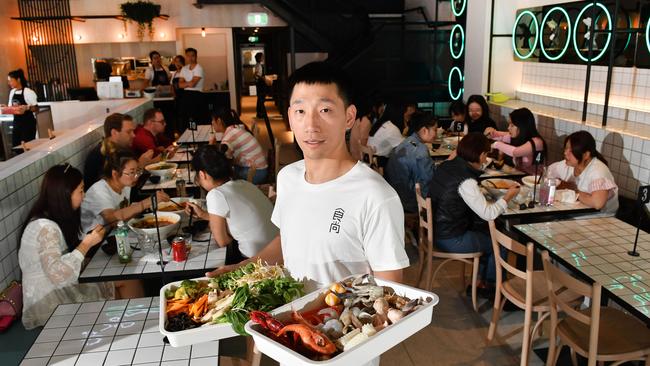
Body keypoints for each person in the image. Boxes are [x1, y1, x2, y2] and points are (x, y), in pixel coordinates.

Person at [207, 61, 409, 290]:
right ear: (291, 117)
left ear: (349, 117)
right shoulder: (288, 177)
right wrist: (246, 266)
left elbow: (390, 292)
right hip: (288, 320)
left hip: (341, 323)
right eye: (301, 111)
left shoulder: (375, 195)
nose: (311, 125)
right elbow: (289, 241)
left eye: (325, 110)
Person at [19, 165, 143, 329]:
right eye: (81, 191)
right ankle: (138, 325)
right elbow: (57, 275)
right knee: (128, 280)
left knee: (121, 279)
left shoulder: (50, 217)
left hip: (53, 290)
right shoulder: (45, 227)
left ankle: (130, 326)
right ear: (64, 194)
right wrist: (87, 244)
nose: (84, 196)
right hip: (48, 300)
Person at [429, 133, 520, 291]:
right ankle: (491, 288)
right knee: (499, 244)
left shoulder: (447, 165)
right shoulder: (466, 181)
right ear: (480, 154)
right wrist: (508, 196)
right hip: (451, 238)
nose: (485, 159)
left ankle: (480, 282)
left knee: (485, 233)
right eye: (485, 154)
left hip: (437, 231)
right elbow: (488, 213)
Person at [185, 145, 278, 264]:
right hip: (278, 251)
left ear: (202, 174)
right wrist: (203, 215)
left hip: (257, 261)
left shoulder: (216, 194)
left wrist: (223, 230)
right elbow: (239, 219)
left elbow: (223, 241)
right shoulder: (243, 183)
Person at [81, 150, 169, 234]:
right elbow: (112, 220)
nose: (136, 177)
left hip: (118, 232)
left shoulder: (125, 184)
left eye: (137, 171)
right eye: (131, 172)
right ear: (115, 174)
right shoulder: (99, 191)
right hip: (96, 242)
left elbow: (124, 216)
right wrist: (148, 202)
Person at [547, 130, 618, 215]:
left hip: (602, 220)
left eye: (571, 151)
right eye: (566, 148)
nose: (565, 153)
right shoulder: (569, 164)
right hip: (578, 215)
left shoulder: (598, 171)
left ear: (586, 155)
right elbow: (547, 172)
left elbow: (597, 204)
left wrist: (574, 191)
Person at [83, 113, 154, 189]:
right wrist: (140, 166)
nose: (134, 135)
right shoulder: (101, 155)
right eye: (129, 132)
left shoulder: (122, 149)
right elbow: (123, 185)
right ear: (114, 133)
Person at [385, 111, 437, 213]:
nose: (436, 133)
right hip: (409, 203)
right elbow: (427, 182)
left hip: (394, 196)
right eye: (435, 130)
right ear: (424, 130)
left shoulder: (407, 141)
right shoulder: (421, 151)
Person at [210, 109, 268, 184]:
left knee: (224, 177)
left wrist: (211, 146)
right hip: (261, 169)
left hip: (256, 173)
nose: (212, 123)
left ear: (219, 121)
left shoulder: (229, 137)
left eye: (212, 120)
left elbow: (221, 160)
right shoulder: (235, 127)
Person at [485, 107, 546, 175]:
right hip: (519, 176)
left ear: (522, 126)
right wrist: (491, 133)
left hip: (533, 182)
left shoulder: (537, 142)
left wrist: (495, 145)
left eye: (512, 125)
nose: (508, 128)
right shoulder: (520, 137)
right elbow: (500, 136)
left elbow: (515, 152)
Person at [3, 69, 38, 148]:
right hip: (17, 124)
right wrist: (5, 108)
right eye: (8, 81)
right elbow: (11, 108)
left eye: (10, 80)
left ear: (18, 79)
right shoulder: (12, 92)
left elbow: (36, 108)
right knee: (17, 147)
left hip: (28, 125)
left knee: (28, 148)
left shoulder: (28, 92)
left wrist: (27, 108)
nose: (9, 83)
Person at [178, 48, 205, 131]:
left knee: (195, 118)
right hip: (186, 96)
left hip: (196, 96)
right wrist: (188, 83)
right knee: (186, 118)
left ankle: (195, 136)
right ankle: (187, 136)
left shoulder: (199, 68)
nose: (190, 58)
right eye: (188, 56)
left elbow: (193, 84)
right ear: (186, 57)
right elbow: (180, 85)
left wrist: (186, 83)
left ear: (196, 56)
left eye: (192, 56)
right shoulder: (184, 68)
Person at [254, 52, 267, 118]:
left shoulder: (258, 64)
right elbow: (256, 74)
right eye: (262, 57)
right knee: (261, 98)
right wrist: (263, 78)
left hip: (259, 82)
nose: (263, 58)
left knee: (260, 98)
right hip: (260, 83)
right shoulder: (258, 65)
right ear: (259, 58)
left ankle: (259, 113)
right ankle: (260, 113)